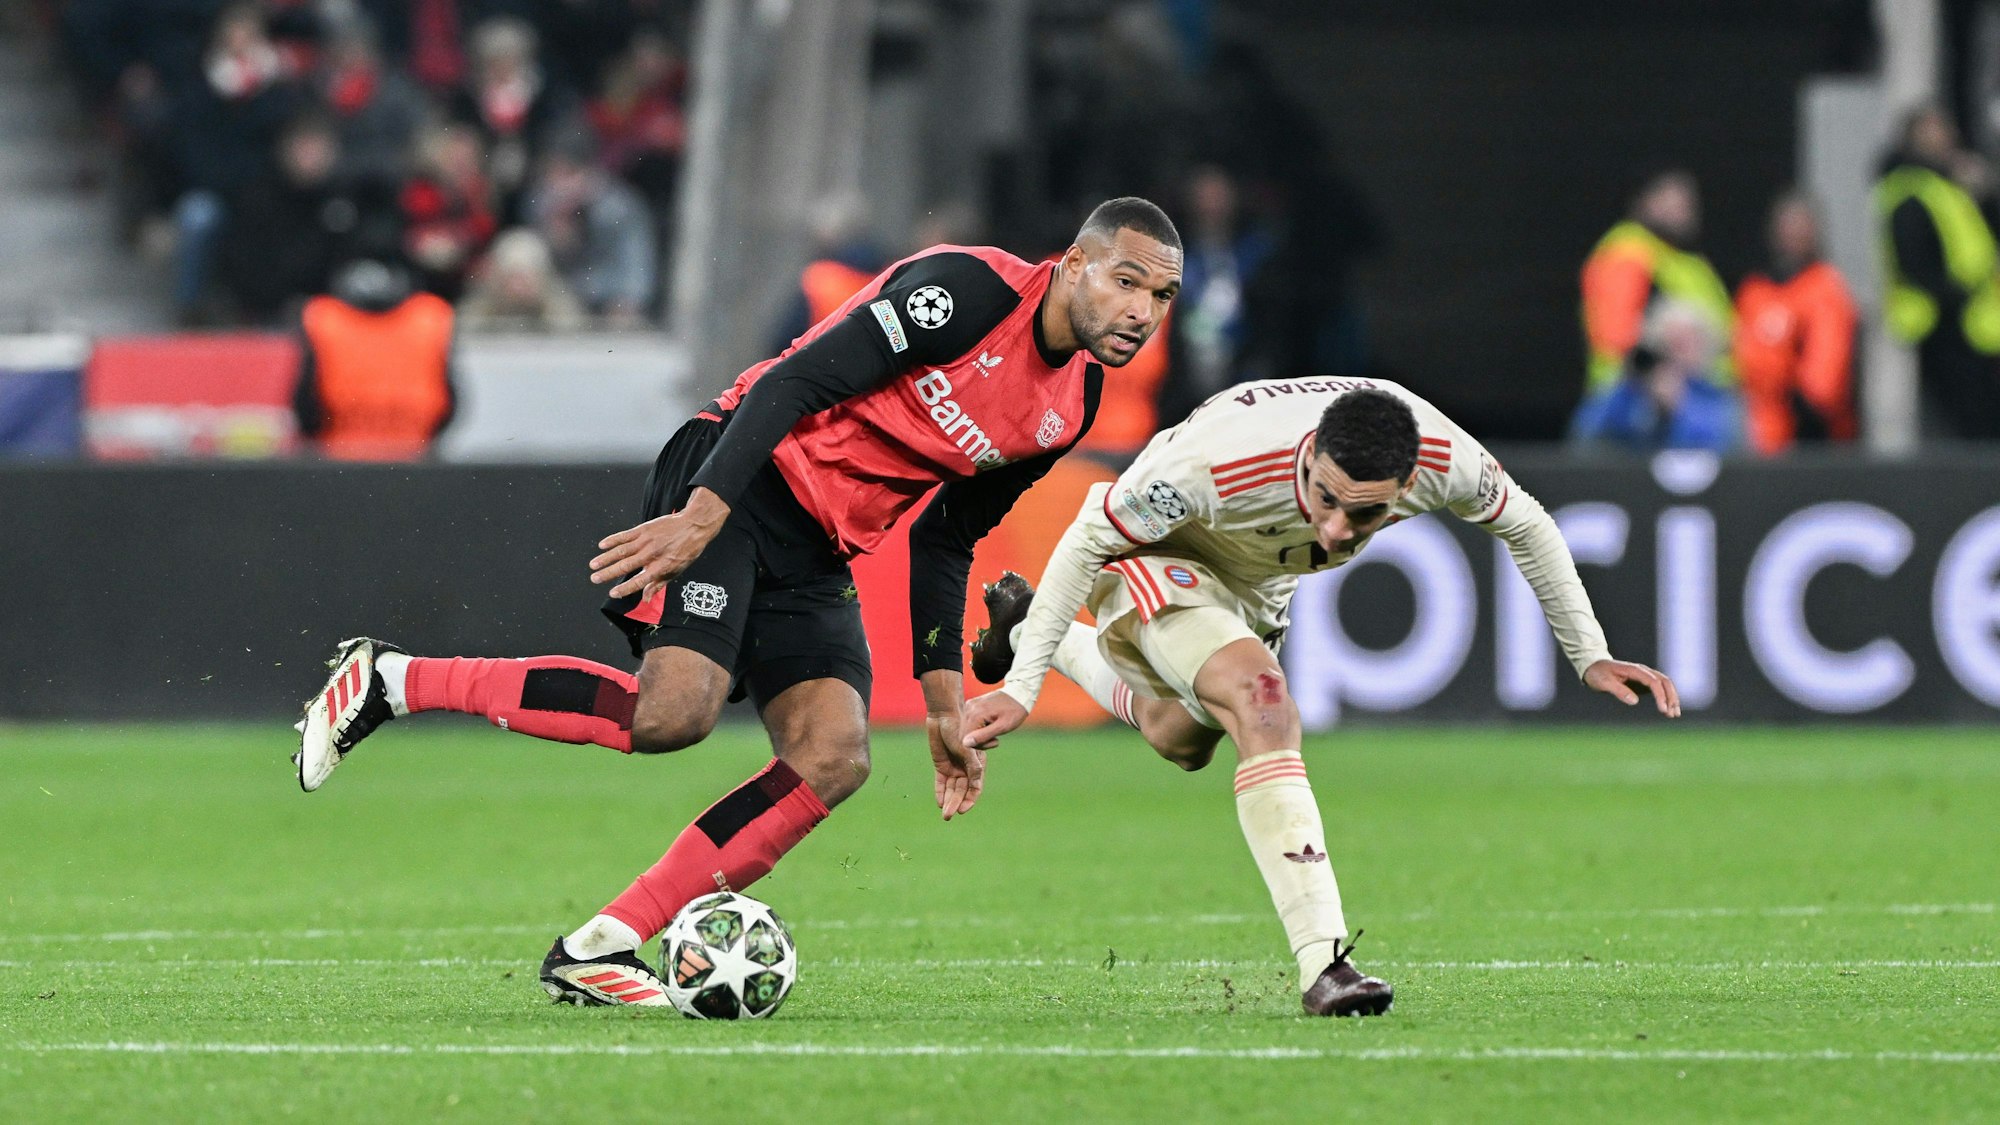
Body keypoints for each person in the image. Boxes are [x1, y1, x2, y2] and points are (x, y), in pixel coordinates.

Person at [293, 197, 1184, 1006]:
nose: (1141, 312)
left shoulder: (1069, 408)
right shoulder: (966, 292)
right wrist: (702, 513)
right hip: (743, 474)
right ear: (1073, 264)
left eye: (1162, 297)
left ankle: (600, 946)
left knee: (835, 755)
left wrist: (946, 702)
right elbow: (791, 383)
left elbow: (945, 537)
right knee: (674, 712)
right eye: (1127, 280)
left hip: (823, 540)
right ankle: (394, 681)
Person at [959, 381, 1680, 1017]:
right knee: (1265, 703)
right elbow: (1087, 539)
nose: (1336, 530)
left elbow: (1527, 523)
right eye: (1325, 496)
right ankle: (1324, 964)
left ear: (1406, 484)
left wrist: (1590, 653)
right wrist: (1021, 688)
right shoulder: (1214, 463)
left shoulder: (1444, 458)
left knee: (1178, 737)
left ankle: (1024, 622)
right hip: (1165, 551)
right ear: (1309, 453)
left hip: (1260, 582)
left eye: (1363, 516)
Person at [1874, 104, 2000, 439]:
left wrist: (1984, 195)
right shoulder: (1911, 190)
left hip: (1976, 325)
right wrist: (1958, 295)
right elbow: (1915, 261)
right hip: (1943, 323)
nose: (1946, 138)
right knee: (1962, 422)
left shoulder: (1950, 185)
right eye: (1934, 130)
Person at [1579, 171, 1735, 403]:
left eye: (1686, 204)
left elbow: (1726, 330)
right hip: (1637, 397)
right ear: (1645, 203)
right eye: (1670, 202)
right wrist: (1652, 374)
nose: (1682, 212)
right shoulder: (1629, 251)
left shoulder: (1690, 263)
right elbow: (1617, 333)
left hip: (1705, 395)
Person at [294, 260, 457, 461]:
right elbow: (451, 403)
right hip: (414, 458)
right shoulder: (432, 318)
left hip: (339, 461)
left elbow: (305, 406)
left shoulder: (322, 318)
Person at [1734, 191, 1858, 455]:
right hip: (1748, 429)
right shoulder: (1754, 290)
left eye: (1801, 226)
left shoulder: (1825, 287)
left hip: (1804, 437)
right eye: (1786, 225)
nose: (1792, 234)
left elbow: (1824, 380)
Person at [1569, 299, 1741, 453]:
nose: (1678, 353)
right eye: (1670, 342)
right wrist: (1627, 387)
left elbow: (1719, 449)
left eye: (1686, 342)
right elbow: (1584, 437)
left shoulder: (1719, 397)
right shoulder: (1633, 390)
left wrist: (1676, 408)